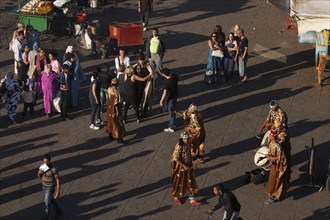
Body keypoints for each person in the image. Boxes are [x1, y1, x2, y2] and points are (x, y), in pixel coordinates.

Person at [170, 131, 201, 206]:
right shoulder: (178, 146)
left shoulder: (188, 142)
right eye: (185, 139)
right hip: (179, 167)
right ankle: (176, 196)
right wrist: (184, 166)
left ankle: (192, 198)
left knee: (191, 180)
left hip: (188, 165)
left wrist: (192, 160)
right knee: (178, 181)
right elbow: (176, 158)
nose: (186, 140)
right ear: (181, 138)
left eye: (187, 138)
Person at [264, 130, 288, 205]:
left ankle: (272, 197)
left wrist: (270, 158)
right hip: (273, 165)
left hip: (277, 166)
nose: (268, 136)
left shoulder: (277, 146)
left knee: (274, 181)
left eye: (269, 135)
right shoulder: (271, 143)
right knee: (273, 181)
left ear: (272, 136)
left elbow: (279, 158)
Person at [37, 154, 61, 219]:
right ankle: (58, 210)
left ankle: (45, 217)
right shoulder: (42, 167)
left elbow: (58, 180)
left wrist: (58, 191)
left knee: (47, 203)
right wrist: (39, 173)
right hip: (44, 186)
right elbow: (39, 177)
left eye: (47, 162)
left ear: (50, 161)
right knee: (50, 199)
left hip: (50, 187)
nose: (46, 163)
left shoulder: (53, 169)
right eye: (44, 162)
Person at [133, 52, 155, 118]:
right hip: (138, 86)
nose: (142, 61)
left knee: (146, 99)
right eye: (140, 60)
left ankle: (144, 113)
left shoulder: (148, 66)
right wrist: (149, 75)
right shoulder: (135, 67)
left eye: (142, 60)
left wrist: (152, 75)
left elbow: (154, 75)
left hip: (146, 86)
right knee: (138, 100)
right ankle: (139, 113)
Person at [106, 78, 126, 143]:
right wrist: (117, 111)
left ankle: (110, 135)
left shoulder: (109, 89)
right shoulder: (115, 92)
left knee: (110, 121)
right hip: (115, 109)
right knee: (118, 123)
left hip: (109, 108)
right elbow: (116, 103)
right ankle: (119, 138)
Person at [160, 68, 179, 132]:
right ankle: (173, 124)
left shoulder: (167, 83)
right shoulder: (174, 76)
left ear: (164, 74)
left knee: (171, 113)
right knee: (173, 110)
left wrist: (161, 101)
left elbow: (164, 93)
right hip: (175, 95)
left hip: (170, 98)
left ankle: (171, 127)